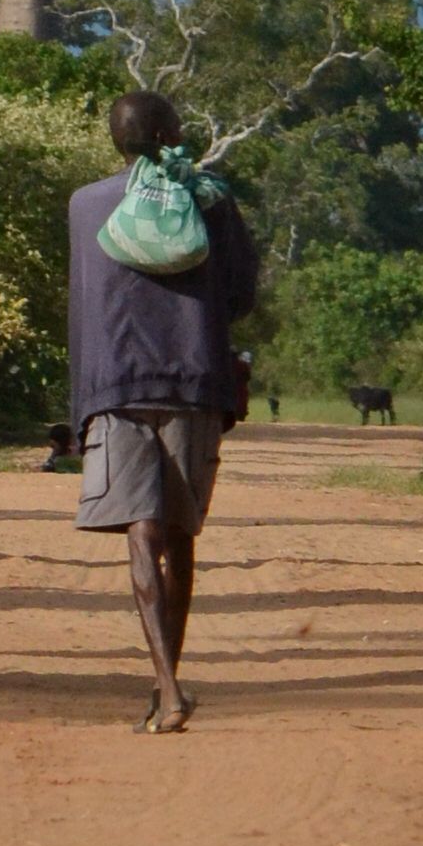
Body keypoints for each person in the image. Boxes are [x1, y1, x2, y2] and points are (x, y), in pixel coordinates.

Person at [66, 88, 258, 733]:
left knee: (141, 534)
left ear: (115, 140)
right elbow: (241, 294)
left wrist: (78, 409)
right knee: (180, 535)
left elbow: (82, 308)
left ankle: (167, 688)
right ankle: (166, 684)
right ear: (171, 135)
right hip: (195, 382)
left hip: (115, 386)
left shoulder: (86, 205)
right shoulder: (210, 200)